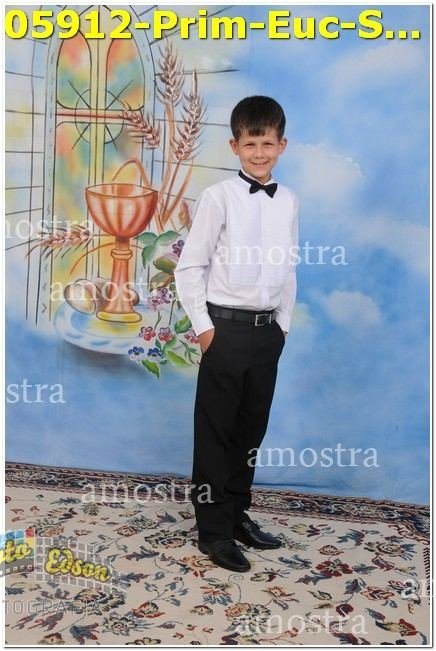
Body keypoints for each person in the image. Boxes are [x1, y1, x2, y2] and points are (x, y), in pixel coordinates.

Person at [174, 95, 299, 572]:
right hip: (224, 330)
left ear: (282, 145)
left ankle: (237, 514)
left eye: (268, 144)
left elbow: (289, 268)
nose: (259, 153)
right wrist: (205, 330)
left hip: (267, 333)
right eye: (251, 144)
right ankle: (213, 531)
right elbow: (191, 267)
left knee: (250, 430)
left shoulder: (288, 201)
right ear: (235, 146)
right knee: (216, 432)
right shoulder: (218, 197)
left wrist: (282, 325)